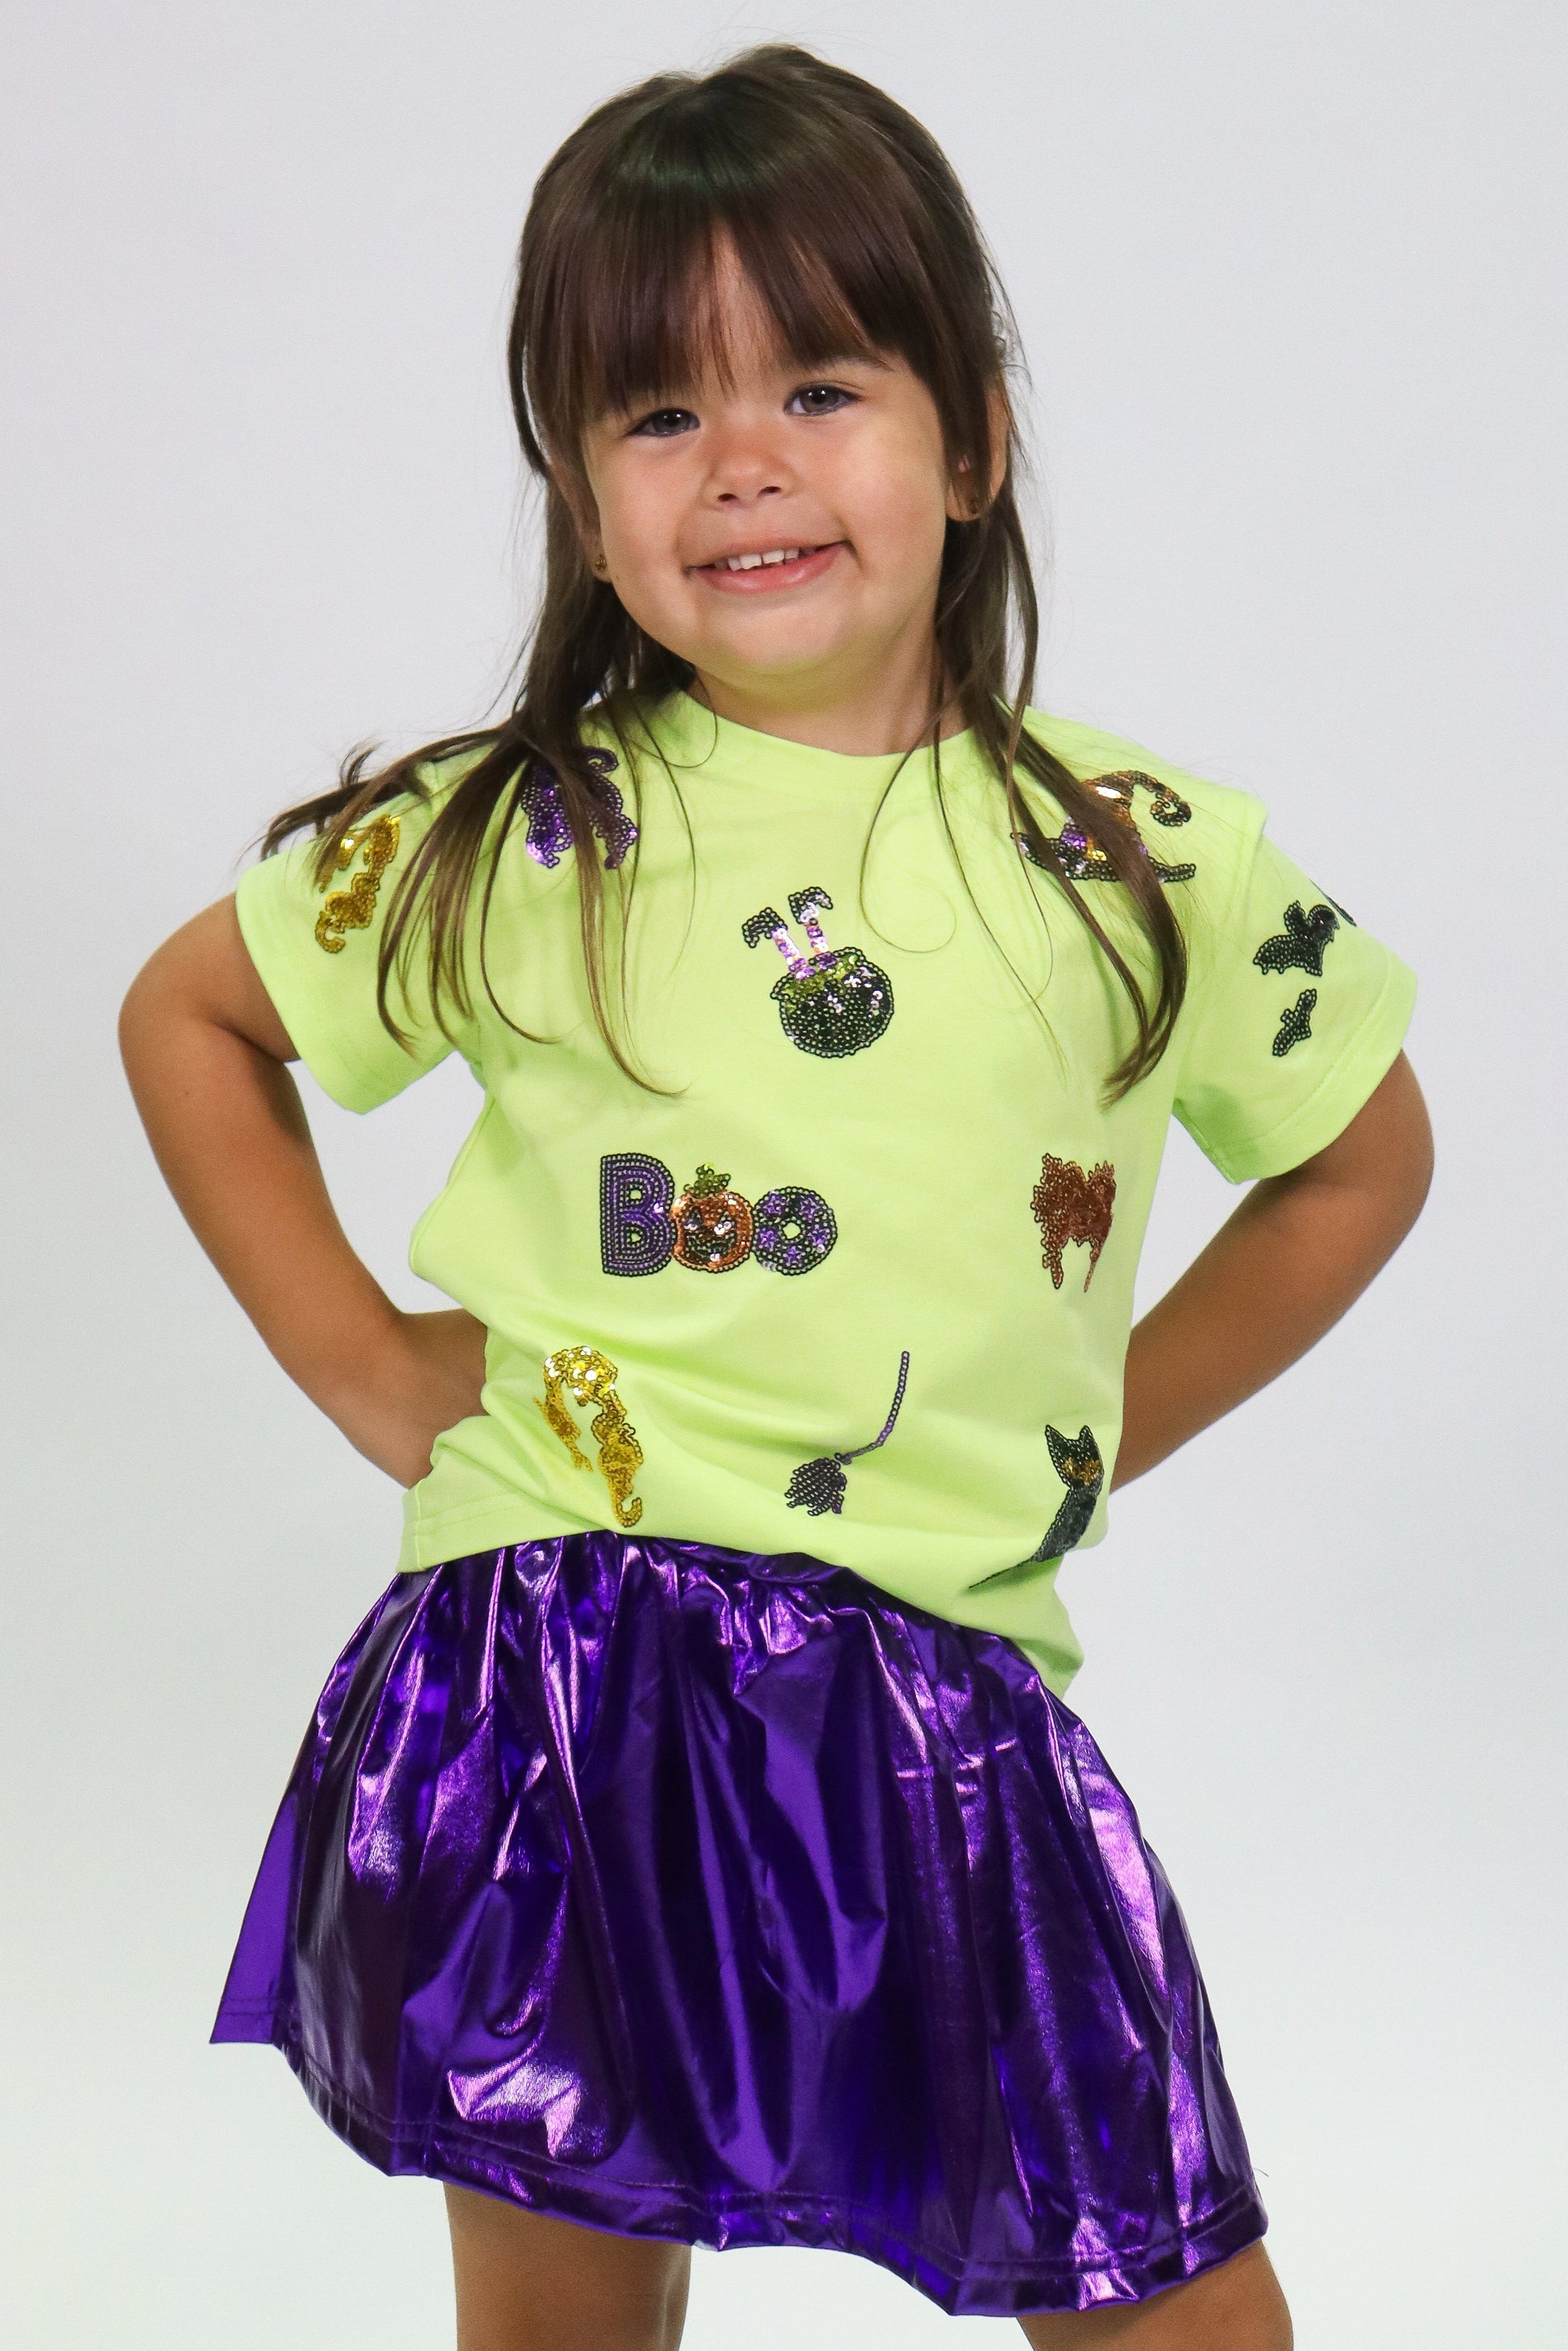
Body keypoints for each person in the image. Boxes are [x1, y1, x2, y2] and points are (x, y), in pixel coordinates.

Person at [119, 44, 1432, 2351]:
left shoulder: (1146, 859)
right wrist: (355, 1359)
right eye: (653, 414)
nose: (740, 462)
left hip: (941, 1703)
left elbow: (1356, 1153)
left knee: (1163, 2289)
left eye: (817, 382)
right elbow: (192, 1017)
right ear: (577, 494)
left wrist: (1100, 1419)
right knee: (560, 2318)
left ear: (973, 437)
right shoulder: (515, 833)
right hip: (558, 1664)